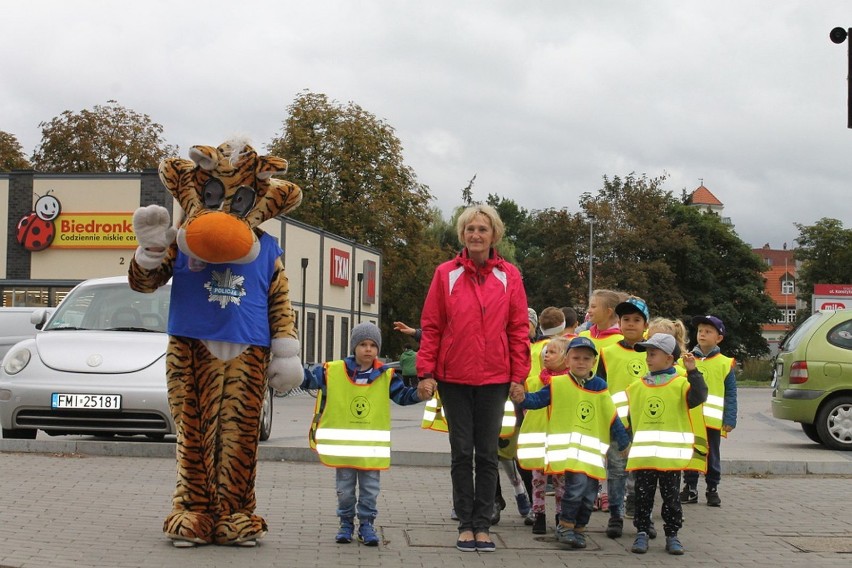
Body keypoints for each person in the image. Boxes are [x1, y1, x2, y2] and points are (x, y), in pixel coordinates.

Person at [416, 204, 531, 553]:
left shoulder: (509, 275)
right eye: (470, 229)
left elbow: (518, 329)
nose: (476, 235)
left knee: (487, 454)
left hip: (495, 378)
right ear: (462, 235)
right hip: (454, 379)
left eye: (482, 229)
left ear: (494, 234)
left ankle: (484, 525)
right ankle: (465, 524)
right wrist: (426, 372)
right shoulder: (445, 274)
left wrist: (519, 376)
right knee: (460, 453)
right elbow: (432, 326)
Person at [302, 322, 432, 546]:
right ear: (354, 346)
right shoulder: (332, 371)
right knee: (344, 491)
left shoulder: (386, 376)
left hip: (371, 451)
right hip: (344, 451)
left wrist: (420, 395)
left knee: (370, 491)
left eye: (373, 345)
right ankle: (345, 523)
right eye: (363, 344)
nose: (368, 349)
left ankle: (366, 524)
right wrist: (288, 369)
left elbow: (402, 397)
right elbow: (306, 379)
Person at [511, 336, 630, 549]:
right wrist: (521, 398)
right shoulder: (558, 384)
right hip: (568, 454)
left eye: (586, 358)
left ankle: (579, 529)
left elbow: (612, 416)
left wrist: (623, 442)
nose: (581, 362)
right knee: (574, 491)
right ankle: (565, 527)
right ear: (567, 361)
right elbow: (537, 400)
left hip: (591, 455)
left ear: (594, 362)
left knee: (589, 496)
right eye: (576, 357)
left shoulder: (599, 386)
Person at [626, 333, 708, 556]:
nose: (648, 358)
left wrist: (693, 371)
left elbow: (699, 396)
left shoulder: (681, 384)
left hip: (670, 458)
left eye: (653, 354)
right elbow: (630, 418)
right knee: (643, 497)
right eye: (647, 354)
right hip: (644, 457)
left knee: (671, 499)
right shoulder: (637, 386)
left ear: (670, 359)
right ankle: (642, 532)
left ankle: (672, 535)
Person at [597, 296, 650, 539]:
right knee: (617, 471)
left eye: (636, 319)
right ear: (618, 323)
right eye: (626, 319)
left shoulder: (654, 352)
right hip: (617, 423)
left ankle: (642, 516)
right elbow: (599, 388)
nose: (630, 324)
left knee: (643, 471)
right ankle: (616, 515)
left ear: (645, 324)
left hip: (647, 424)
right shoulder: (607, 353)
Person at [517, 306, 568, 535]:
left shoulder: (570, 382)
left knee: (561, 484)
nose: (546, 355)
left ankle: (560, 515)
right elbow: (529, 401)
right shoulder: (534, 380)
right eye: (545, 352)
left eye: (552, 352)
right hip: (537, 439)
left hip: (560, 441)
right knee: (538, 482)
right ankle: (538, 515)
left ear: (566, 359)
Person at [680, 315, 737, 507]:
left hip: (713, 421)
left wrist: (730, 418)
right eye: (700, 331)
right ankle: (690, 488)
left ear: (718, 338)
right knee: (692, 454)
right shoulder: (686, 360)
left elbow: (731, 394)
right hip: (690, 419)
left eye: (708, 331)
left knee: (712, 455)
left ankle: (712, 488)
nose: (702, 334)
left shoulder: (724, 363)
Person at [579, 288, 626, 511]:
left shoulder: (620, 340)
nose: (589, 310)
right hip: (584, 404)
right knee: (591, 449)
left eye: (593, 306)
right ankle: (592, 491)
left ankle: (609, 494)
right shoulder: (583, 337)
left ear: (609, 312)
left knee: (612, 455)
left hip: (611, 406)